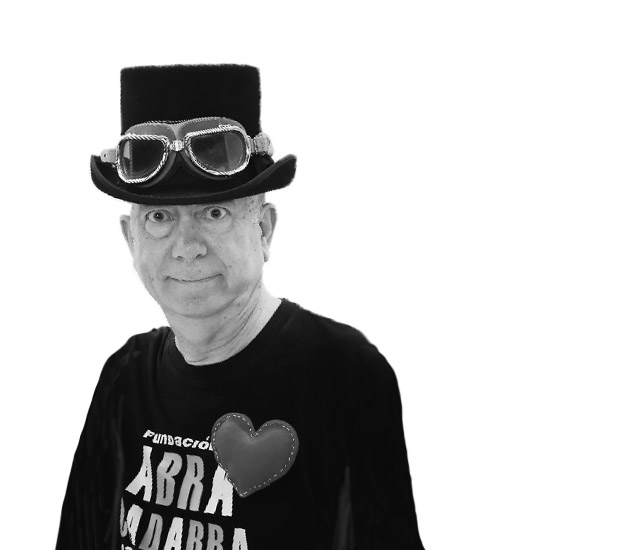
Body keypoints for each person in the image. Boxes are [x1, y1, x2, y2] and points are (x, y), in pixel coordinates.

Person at [56, 64, 425, 550]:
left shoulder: (345, 374)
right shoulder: (124, 376)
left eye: (215, 212)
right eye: (160, 217)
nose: (187, 247)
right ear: (131, 239)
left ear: (264, 230)